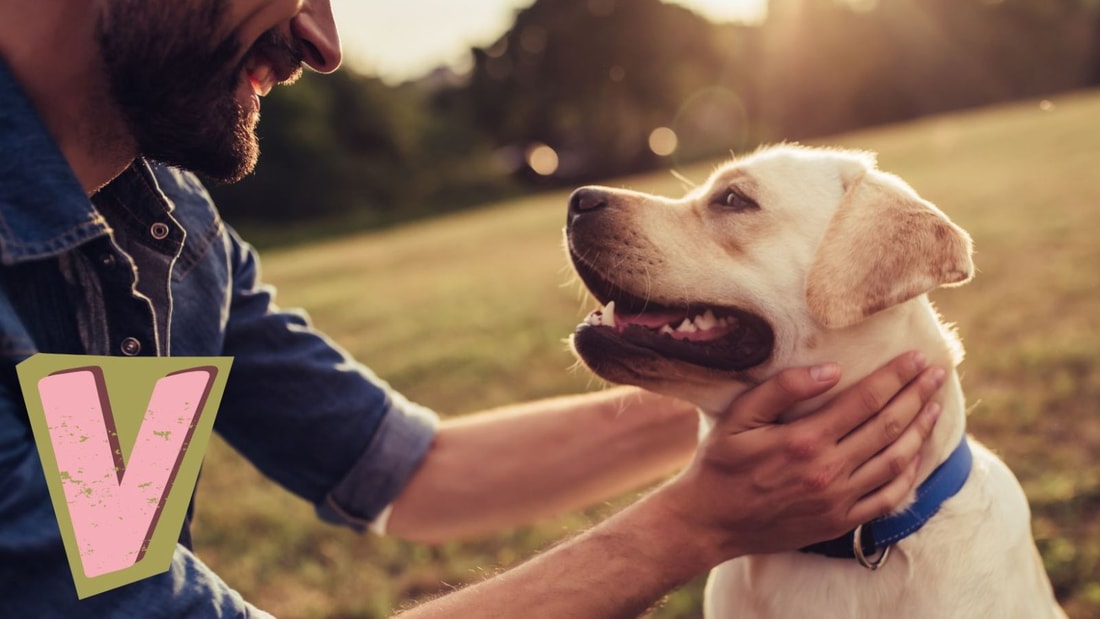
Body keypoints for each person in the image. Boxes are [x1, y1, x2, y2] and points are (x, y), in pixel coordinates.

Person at [0, 1, 945, 617]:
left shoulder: (167, 230)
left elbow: (415, 472)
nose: (323, 42)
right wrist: (695, 525)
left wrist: (782, 397)